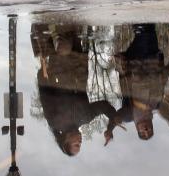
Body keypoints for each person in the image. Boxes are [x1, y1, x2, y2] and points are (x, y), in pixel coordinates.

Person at [31, 24, 120, 155]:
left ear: (66, 141)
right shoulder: (85, 118)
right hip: (79, 64)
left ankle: (44, 22)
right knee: (74, 31)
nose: (80, 142)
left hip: (59, 68)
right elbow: (104, 106)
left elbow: (45, 95)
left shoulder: (55, 121)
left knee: (64, 44)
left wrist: (42, 76)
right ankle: (58, 18)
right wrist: (111, 126)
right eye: (80, 145)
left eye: (76, 144)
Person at [109, 24, 169, 141]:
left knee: (145, 31)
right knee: (148, 31)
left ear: (137, 128)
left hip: (136, 64)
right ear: (152, 127)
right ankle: (140, 21)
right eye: (150, 131)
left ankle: (140, 24)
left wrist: (110, 129)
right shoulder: (156, 105)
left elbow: (117, 117)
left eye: (143, 132)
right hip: (153, 60)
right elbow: (162, 80)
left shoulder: (129, 116)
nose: (146, 130)